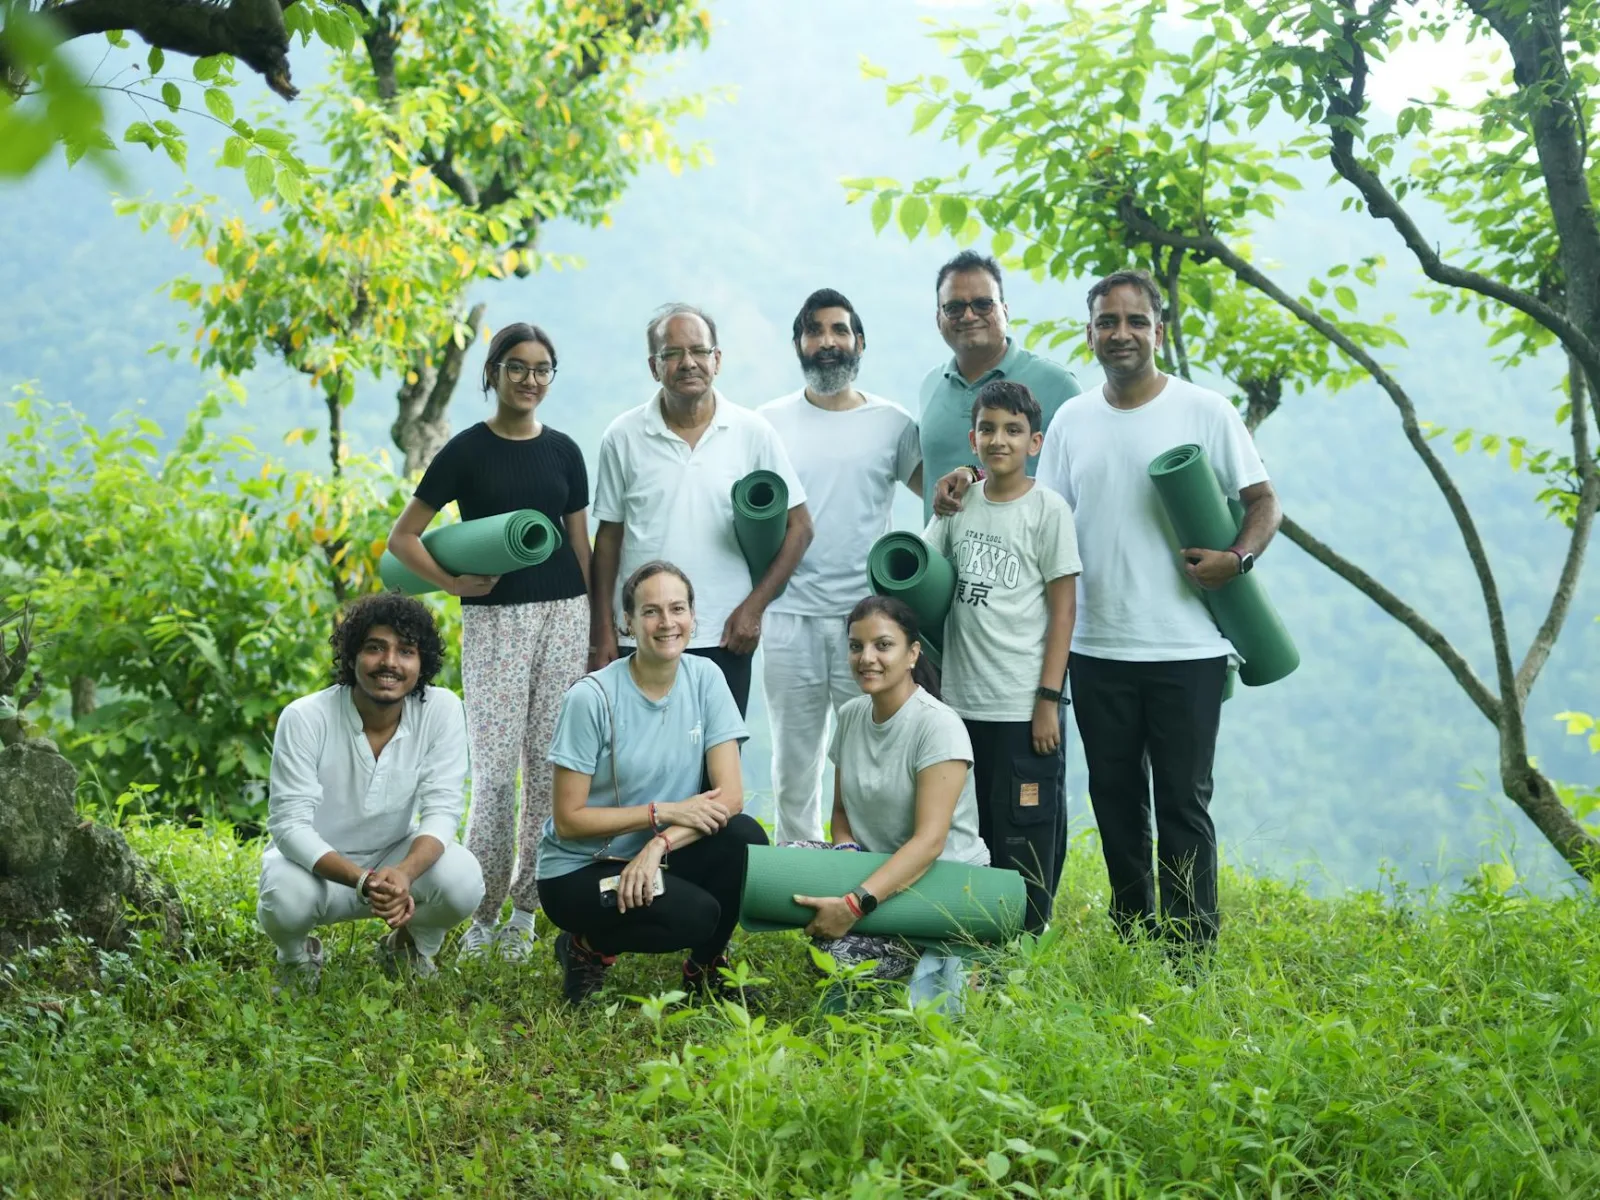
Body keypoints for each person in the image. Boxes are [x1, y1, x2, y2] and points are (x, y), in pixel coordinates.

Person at [945, 269, 1282, 949]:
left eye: (1134, 321)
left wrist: (1237, 559)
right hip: (1096, 648)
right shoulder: (1072, 420)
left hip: (1187, 647)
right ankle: (1133, 930)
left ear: (1159, 331)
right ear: (1090, 332)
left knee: (1185, 804)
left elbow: (1263, 503)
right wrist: (973, 479)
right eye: (1107, 321)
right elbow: (1040, 506)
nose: (1120, 333)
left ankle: (1190, 949)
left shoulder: (1204, 410)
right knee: (1116, 799)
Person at [386, 322, 590, 962]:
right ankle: (479, 910)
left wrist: (598, 631)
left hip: (567, 614)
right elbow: (403, 537)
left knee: (548, 772)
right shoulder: (466, 451)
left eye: (542, 369)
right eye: (518, 367)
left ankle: (525, 912)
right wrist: (454, 584)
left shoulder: (565, 451)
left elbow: (579, 544)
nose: (530, 380)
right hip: (496, 621)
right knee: (497, 773)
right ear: (493, 372)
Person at [538, 561, 770, 1005]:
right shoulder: (591, 698)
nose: (667, 623)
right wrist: (659, 815)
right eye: (650, 611)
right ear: (627, 622)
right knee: (695, 915)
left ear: (693, 615)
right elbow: (568, 821)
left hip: (656, 856)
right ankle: (584, 948)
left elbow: (730, 797)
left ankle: (705, 970)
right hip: (582, 870)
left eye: (677, 608)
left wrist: (658, 844)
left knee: (745, 838)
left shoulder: (706, 678)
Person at [589, 303, 813, 715]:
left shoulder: (752, 432)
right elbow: (608, 540)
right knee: (640, 762)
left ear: (717, 360)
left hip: (726, 633)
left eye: (698, 351)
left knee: (719, 765)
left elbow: (800, 528)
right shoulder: (622, 436)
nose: (687, 363)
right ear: (654, 367)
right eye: (671, 354)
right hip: (639, 633)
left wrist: (753, 608)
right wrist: (601, 628)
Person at [758, 288, 923, 842]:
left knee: (868, 758)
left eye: (838, 330)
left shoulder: (893, 424)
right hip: (788, 619)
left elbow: (940, 501)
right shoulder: (767, 423)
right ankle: (794, 869)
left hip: (867, 624)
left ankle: (865, 868)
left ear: (859, 342)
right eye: (814, 331)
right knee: (793, 760)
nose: (827, 341)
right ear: (799, 343)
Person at [257, 594, 485, 991]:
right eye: (374, 647)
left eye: (406, 651)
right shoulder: (305, 717)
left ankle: (410, 947)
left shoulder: (442, 709)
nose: (390, 663)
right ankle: (296, 958)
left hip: (395, 860)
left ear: (422, 662)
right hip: (316, 870)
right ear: (351, 656)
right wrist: (363, 880)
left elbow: (442, 810)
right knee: (284, 897)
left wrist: (404, 872)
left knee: (463, 879)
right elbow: (289, 826)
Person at [923, 380, 1080, 932]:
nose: (999, 440)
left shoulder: (1048, 510)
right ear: (973, 438)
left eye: (1013, 430)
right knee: (971, 825)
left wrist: (1047, 700)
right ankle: (974, 935)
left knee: (1026, 828)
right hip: (962, 704)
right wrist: (957, 485)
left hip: (1022, 707)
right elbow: (922, 573)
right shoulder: (957, 506)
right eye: (988, 429)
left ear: (1034, 442)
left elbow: (1064, 611)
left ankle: (1027, 937)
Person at [791, 596, 988, 1003]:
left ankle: (931, 952)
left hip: (942, 880)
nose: (867, 658)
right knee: (789, 864)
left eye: (883, 645)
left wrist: (853, 904)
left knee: (839, 957)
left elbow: (930, 842)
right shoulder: (850, 714)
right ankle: (884, 939)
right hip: (876, 865)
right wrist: (844, 850)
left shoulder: (937, 727)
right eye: (856, 646)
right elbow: (841, 812)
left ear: (913, 653)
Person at [919, 250, 1082, 524]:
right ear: (939, 319)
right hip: (937, 563)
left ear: (1005, 311)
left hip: (1026, 562)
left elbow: (1082, 488)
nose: (969, 316)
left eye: (983, 304)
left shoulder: (1058, 386)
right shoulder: (930, 385)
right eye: (954, 308)